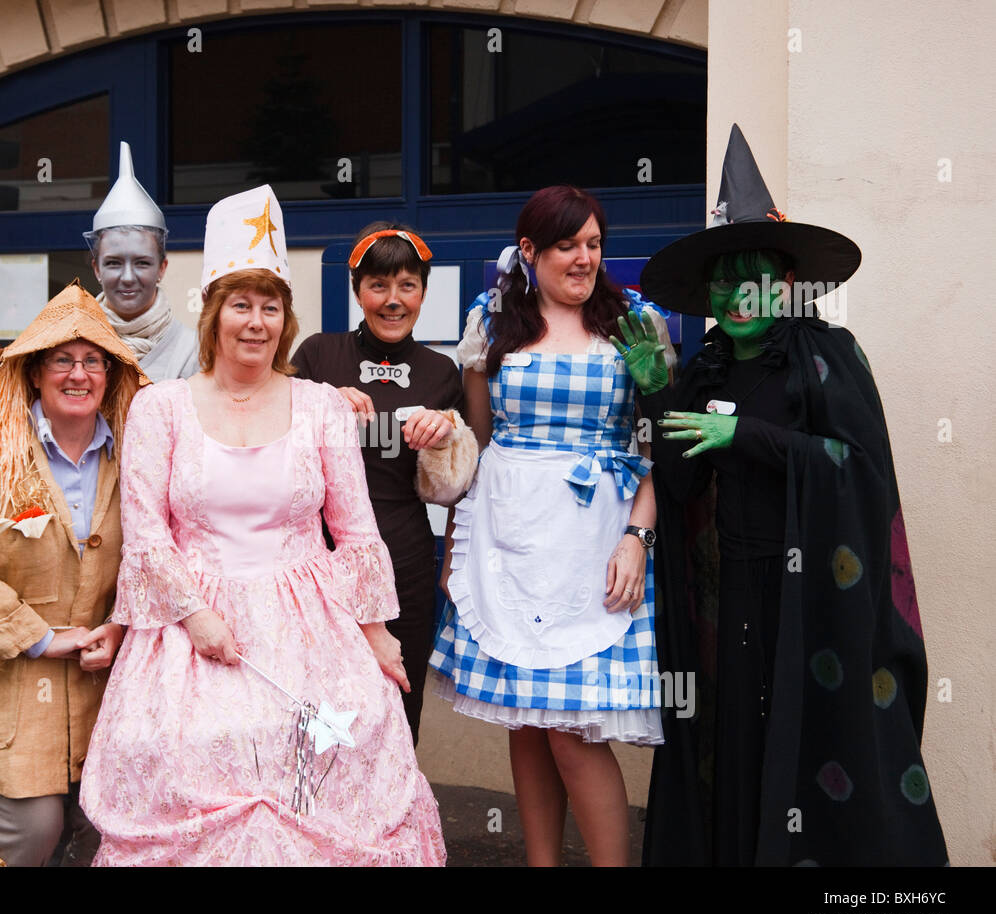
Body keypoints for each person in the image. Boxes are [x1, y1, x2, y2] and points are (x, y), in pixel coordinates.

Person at [80, 185, 446, 865]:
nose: (256, 322)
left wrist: (376, 633)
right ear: (214, 314)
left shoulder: (320, 408)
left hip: (311, 624)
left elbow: (356, 530)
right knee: (194, 761)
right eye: (241, 305)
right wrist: (194, 616)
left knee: (331, 763)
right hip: (192, 631)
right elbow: (147, 533)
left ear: (287, 318)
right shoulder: (160, 408)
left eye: (270, 307)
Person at [633, 124, 948, 866]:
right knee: (733, 750)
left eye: (756, 275)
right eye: (724, 278)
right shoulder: (702, 371)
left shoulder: (828, 359)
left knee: (815, 754)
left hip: (815, 610)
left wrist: (749, 437)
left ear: (785, 282)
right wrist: (655, 394)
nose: (739, 294)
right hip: (728, 604)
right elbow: (678, 490)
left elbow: (861, 473)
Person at [428, 185, 665, 867]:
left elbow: (655, 449)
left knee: (571, 730)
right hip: (507, 537)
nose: (585, 258)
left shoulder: (633, 323)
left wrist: (637, 537)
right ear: (530, 251)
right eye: (569, 245)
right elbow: (475, 442)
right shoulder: (494, 319)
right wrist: (454, 542)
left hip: (595, 544)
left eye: (594, 244)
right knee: (528, 721)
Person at [0, 281, 148, 866]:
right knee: (35, 830)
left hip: (104, 682)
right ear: (36, 372)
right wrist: (40, 638)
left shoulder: (137, 453)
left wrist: (117, 628)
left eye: (94, 361)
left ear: (111, 376)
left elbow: (155, 556)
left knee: (106, 828)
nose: (78, 374)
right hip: (10, 681)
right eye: (63, 360)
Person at [292, 222, 476, 741]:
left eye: (407, 286)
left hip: (405, 560)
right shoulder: (317, 356)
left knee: (397, 705)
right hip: (318, 560)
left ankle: (394, 818)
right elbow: (268, 448)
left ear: (423, 292)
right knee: (320, 709)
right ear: (357, 291)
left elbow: (454, 488)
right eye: (378, 285)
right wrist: (319, 403)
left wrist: (448, 437)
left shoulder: (442, 370)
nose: (393, 300)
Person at [84, 141, 199, 381]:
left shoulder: (194, 352)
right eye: (113, 263)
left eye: (142, 263)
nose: (127, 277)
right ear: (96, 269)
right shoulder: (74, 343)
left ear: (162, 268)